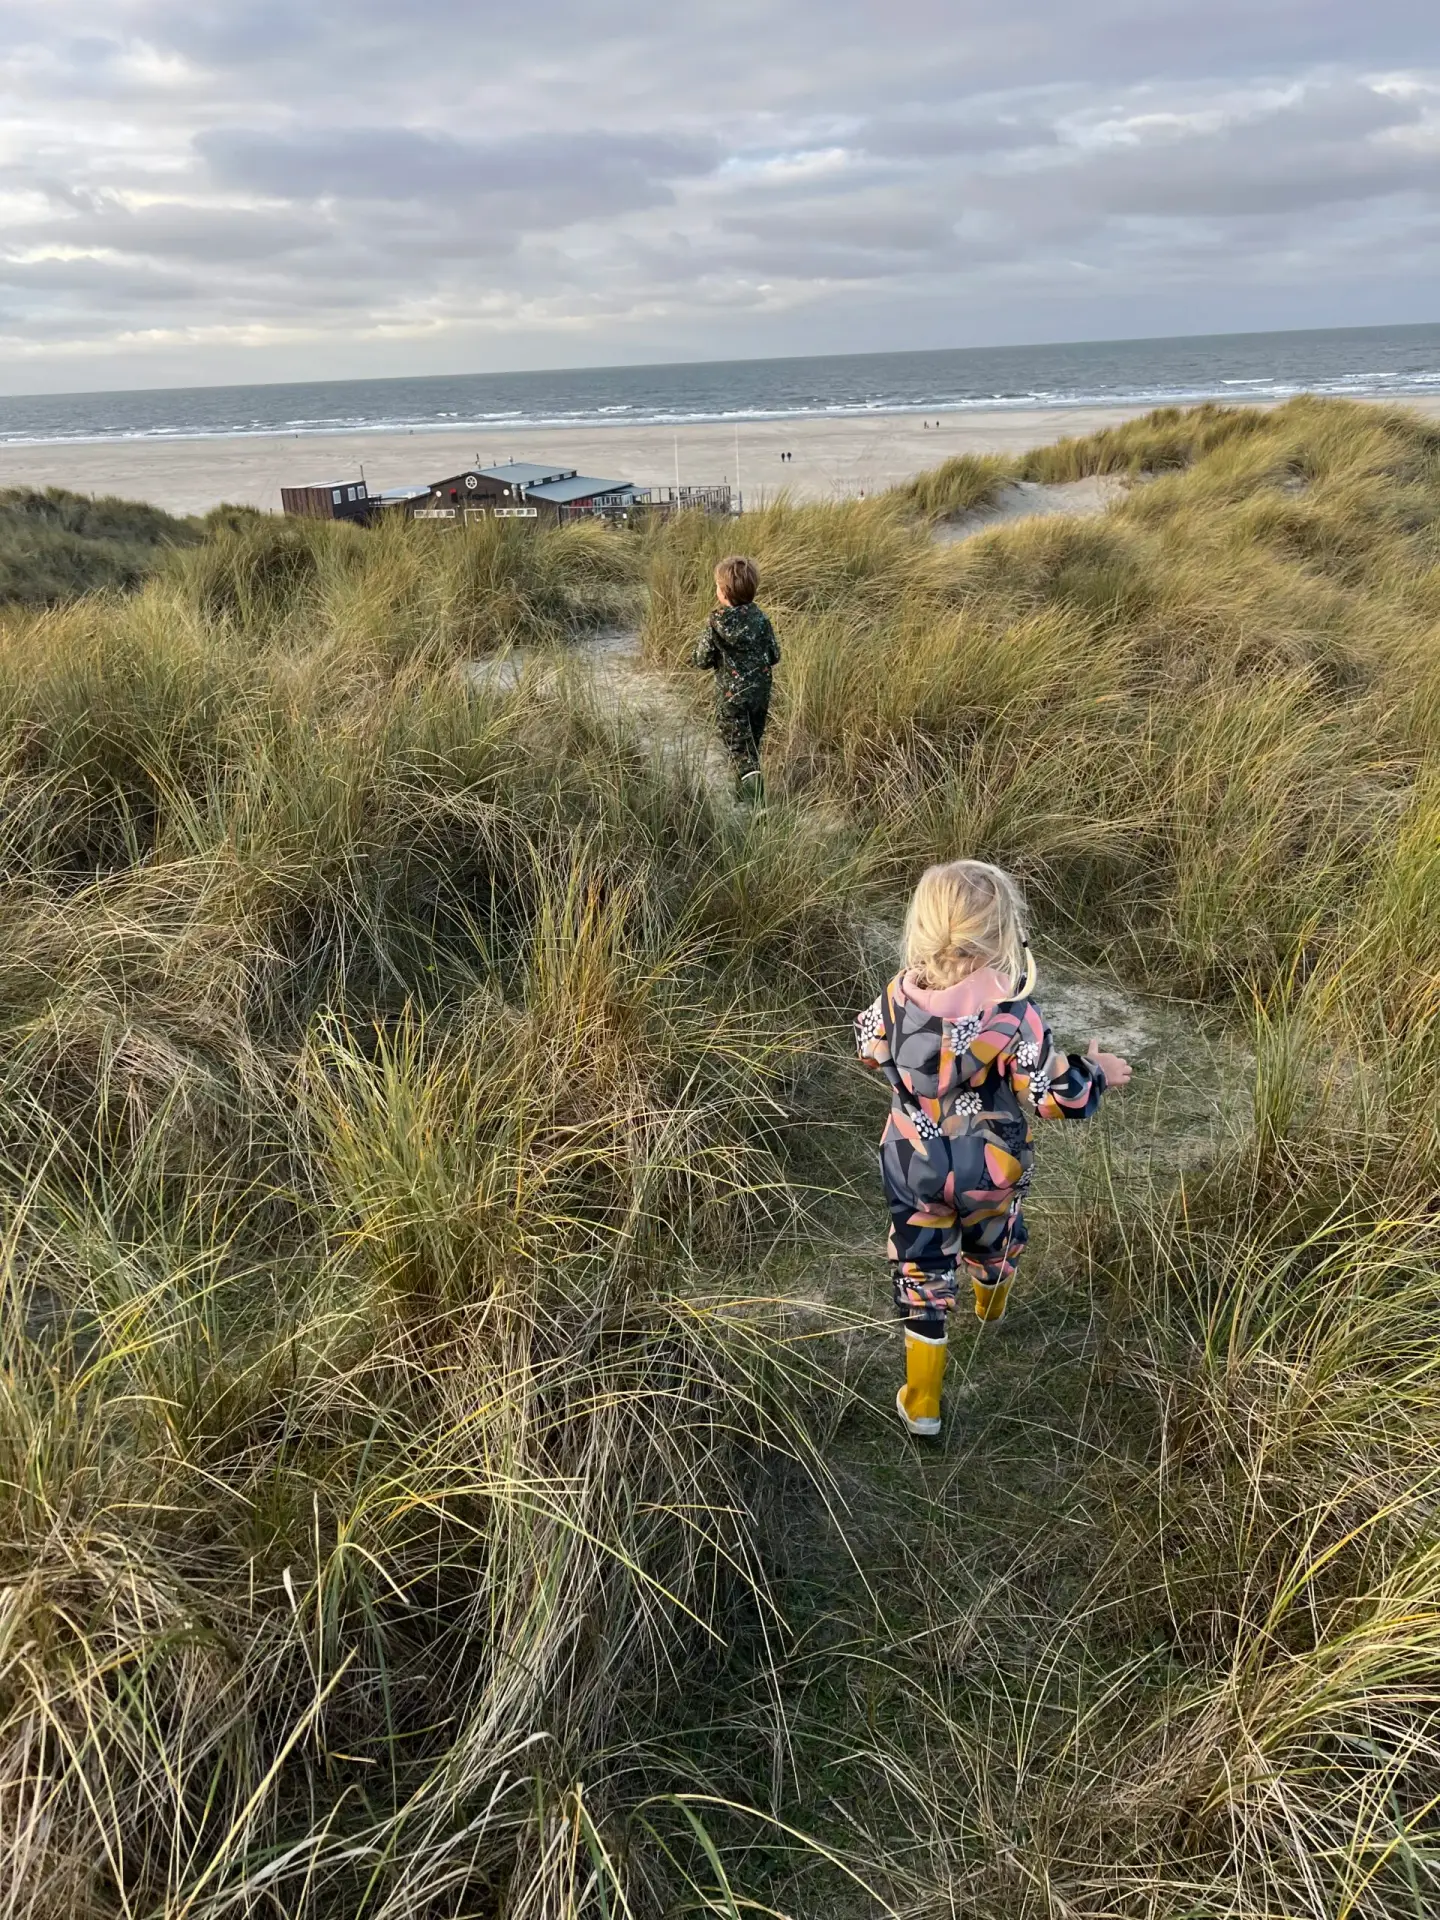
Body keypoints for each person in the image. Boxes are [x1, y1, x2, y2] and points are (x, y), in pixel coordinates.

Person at [854, 859, 1132, 1437]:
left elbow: (869, 1049)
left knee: (922, 1269)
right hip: (990, 1164)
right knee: (996, 1235)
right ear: (1003, 934)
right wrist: (1096, 1070)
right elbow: (1058, 1098)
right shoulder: (1012, 1015)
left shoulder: (889, 1002)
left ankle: (923, 1402)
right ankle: (990, 1298)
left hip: (913, 1165)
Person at [692, 554, 780, 802]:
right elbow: (774, 654)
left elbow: (701, 659)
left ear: (724, 593)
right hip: (760, 694)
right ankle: (744, 793)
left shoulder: (716, 623)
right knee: (751, 745)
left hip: (731, 697)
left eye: (718, 586)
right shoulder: (761, 620)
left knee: (739, 750)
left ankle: (757, 806)